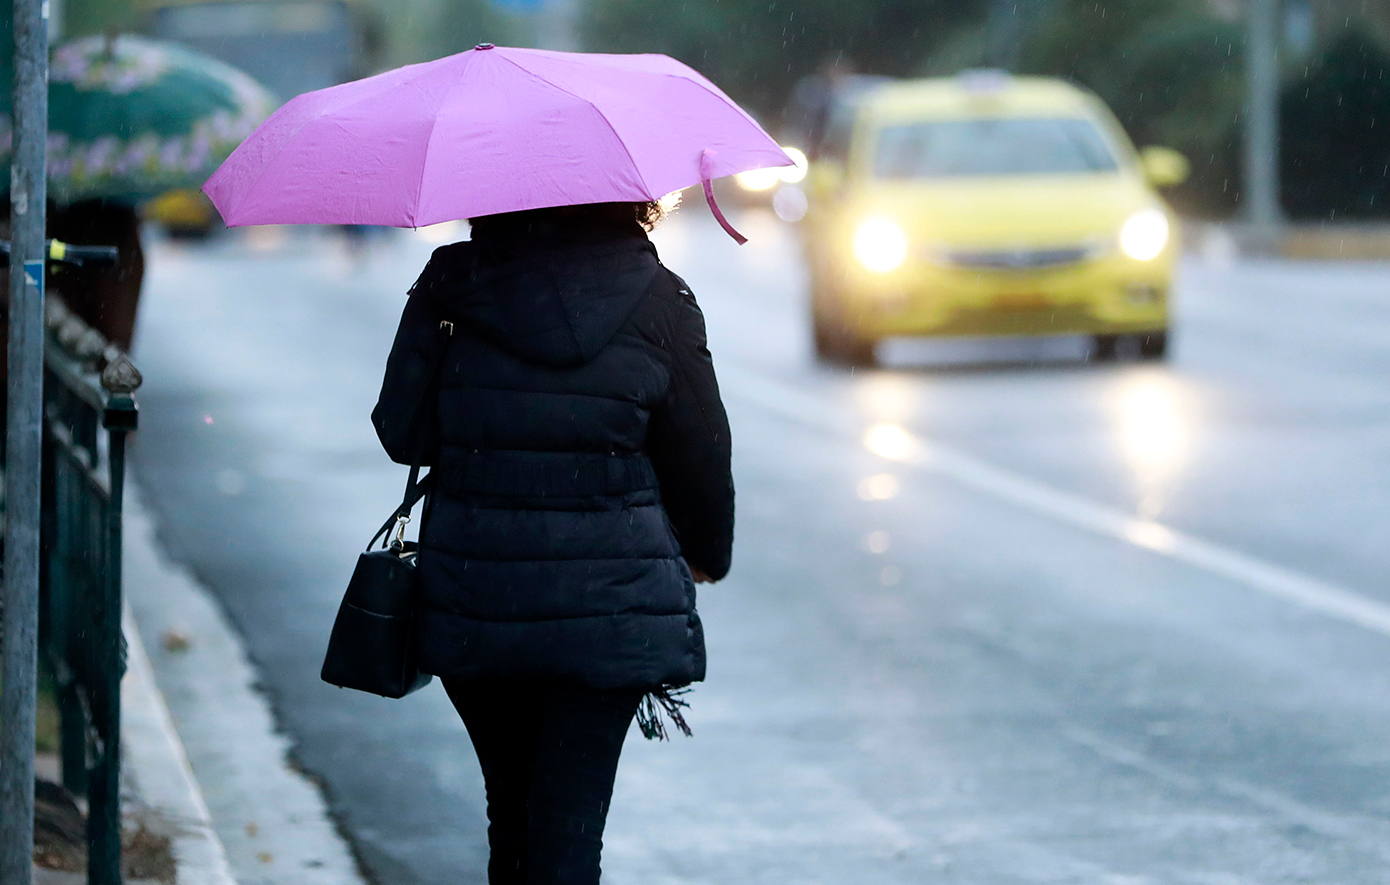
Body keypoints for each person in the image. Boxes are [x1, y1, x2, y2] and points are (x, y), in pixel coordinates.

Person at [372, 200, 734, 883]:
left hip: (477, 598)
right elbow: (701, 454)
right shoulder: (658, 297)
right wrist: (707, 554)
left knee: (511, 818)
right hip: (609, 612)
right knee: (567, 834)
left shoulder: (452, 283)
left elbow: (402, 433)